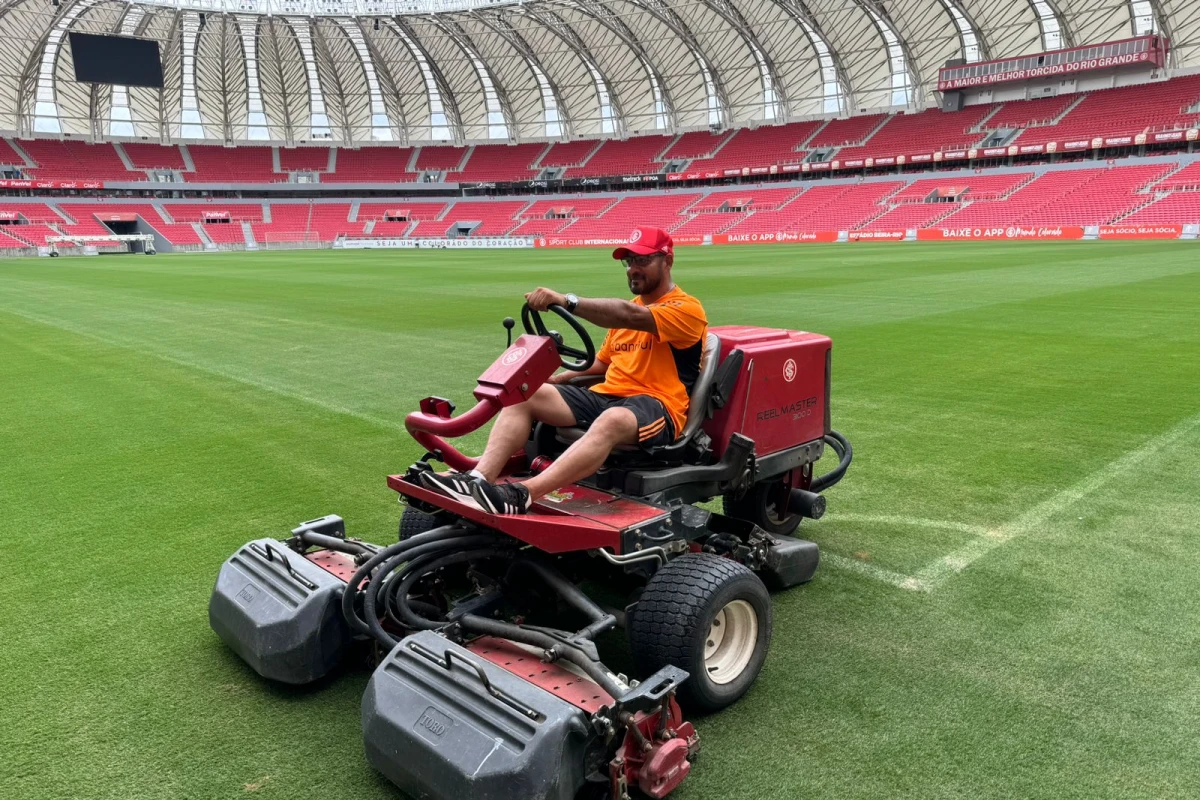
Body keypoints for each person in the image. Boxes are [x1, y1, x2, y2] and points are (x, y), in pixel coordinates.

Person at [421, 225, 708, 514]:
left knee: (612, 418)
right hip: (609, 397)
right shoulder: (628, 313)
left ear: (667, 260)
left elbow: (629, 315)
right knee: (526, 394)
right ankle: (477, 480)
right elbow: (604, 363)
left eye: (643, 260)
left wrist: (566, 301)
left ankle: (523, 493)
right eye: (629, 261)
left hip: (656, 407)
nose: (633, 268)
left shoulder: (684, 309)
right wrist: (558, 377)